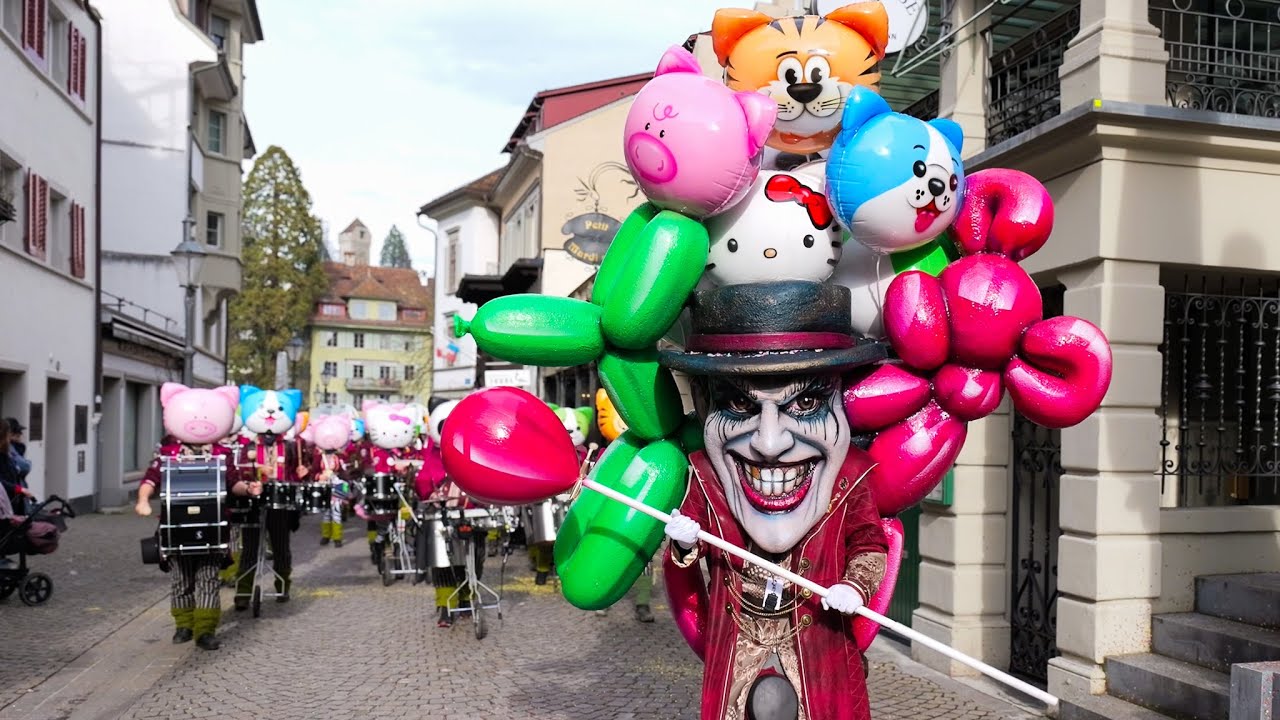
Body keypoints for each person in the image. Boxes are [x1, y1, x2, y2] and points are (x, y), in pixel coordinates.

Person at [658, 281, 889, 720]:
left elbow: (868, 544)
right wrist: (686, 542)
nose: (768, 443)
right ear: (708, 408)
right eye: (740, 406)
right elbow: (691, 545)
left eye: (806, 403)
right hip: (738, 643)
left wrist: (854, 586)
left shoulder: (850, 476)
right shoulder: (705, 475)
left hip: (818, 646)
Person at [135, 383, 246, 651]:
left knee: (208, 578)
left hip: (213, 525)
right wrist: (142, 500)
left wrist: (248, 489)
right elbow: (152, 477)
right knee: (181, 578)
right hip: (176, 526)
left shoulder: (222, 454)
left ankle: (205, 630)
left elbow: (233, 483)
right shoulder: (167, 453)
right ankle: (183, 624)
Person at [234, 387, 306, 608]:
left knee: (281, 547)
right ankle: (243, 594)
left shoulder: (292, 447)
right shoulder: (246, 448)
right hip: (252, 503)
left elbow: (295, 474)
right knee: (250, 548)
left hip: (280, 502)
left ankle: (282, 586)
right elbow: (238, 474)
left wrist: (302, 474)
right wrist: (254, 471)